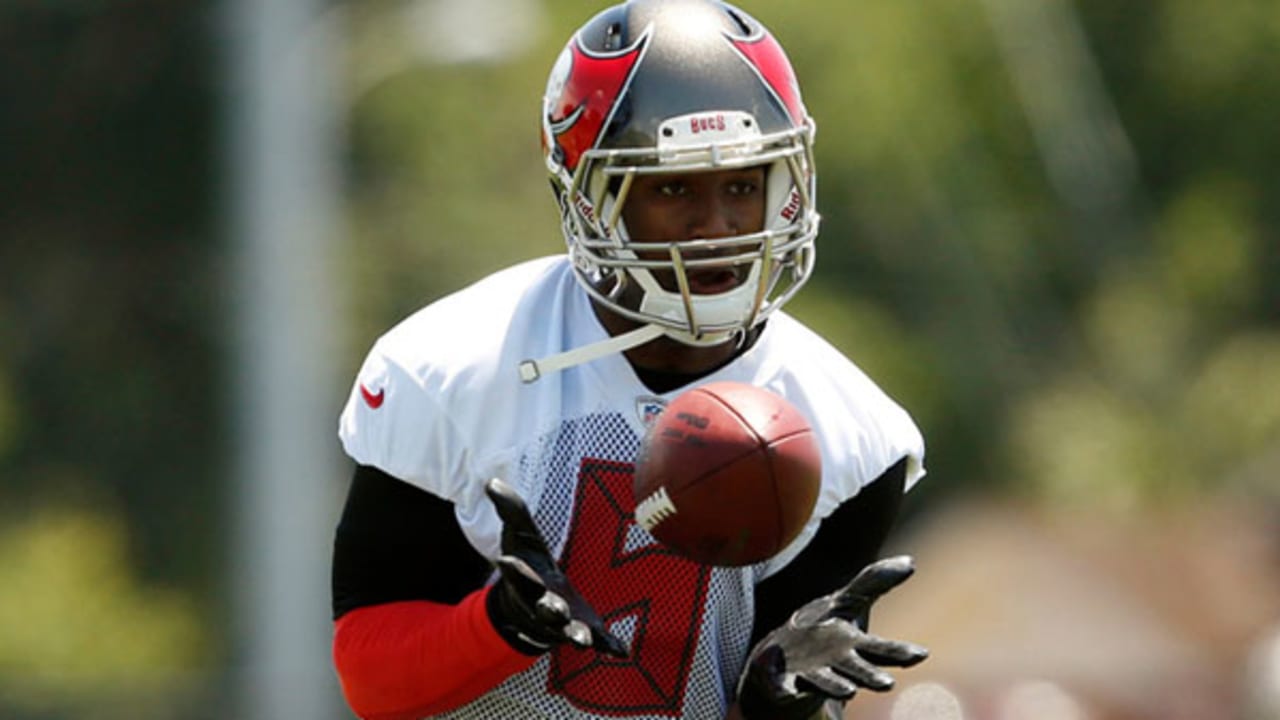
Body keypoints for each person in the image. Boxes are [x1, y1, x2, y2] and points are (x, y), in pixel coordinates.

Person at [330, 1, 930, 718]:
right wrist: (500, 626)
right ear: (592, 200)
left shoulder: (852, 434)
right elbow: (371, 683)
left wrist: (777, 701)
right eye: (673, 188)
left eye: (743, 185)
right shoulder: (451, 369)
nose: (718, 225)